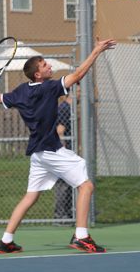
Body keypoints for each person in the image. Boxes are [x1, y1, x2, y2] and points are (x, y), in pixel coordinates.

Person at [0, 38, 116, 254]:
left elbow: (0, 98)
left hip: (38, 154)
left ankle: (6, 241)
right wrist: (96, 52)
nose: (50, 66)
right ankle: (81, 236)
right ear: (38, 74)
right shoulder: (47, 88)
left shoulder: (20, 91)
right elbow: (77, 76)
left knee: (31, 196)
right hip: (50, 150)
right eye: (45, 65)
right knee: (86, 186)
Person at [54, 88, 76, 222]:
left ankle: (68, 213)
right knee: (63, 183)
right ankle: (60, 216)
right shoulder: (64, 108)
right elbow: (59, 130)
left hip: (69, 152)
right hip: (62, 152)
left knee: (71, 182)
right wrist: (63, 152)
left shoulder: (70, 109)